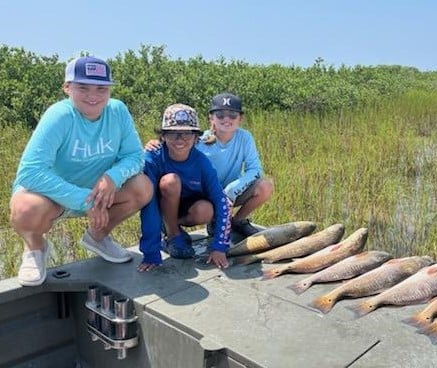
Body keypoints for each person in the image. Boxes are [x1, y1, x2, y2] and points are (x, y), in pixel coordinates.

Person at [10, 56, 153, 286]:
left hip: (98, 193)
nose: (93, 95)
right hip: (54, 198)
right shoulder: (59, 116)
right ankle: (35, 248)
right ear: (67, 88)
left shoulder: (118, 111)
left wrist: (112, 177)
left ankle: (98, 237)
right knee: (24, 208)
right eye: (83, 87)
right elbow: (30, 173)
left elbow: (135, 156)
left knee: (143, 187)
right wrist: (86, 202)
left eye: (101, 88)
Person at [145, 93, 274, 237]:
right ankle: (171, 224)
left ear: (240, 118)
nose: (226, 119)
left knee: (265, 186)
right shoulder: (198, 140)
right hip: (204, 194)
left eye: (232, 115)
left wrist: (231, 191)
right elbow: (176, 145)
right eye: (220, 115)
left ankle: (236, 221)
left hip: (231, 193)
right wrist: (156, 143)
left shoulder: (245, 137)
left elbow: (255, 169)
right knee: (204, 211)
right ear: (211, 118)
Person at [138, 103, 232, 272]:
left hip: (188, 207)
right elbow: (148, 204)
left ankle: (168, 225)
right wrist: (150, 253)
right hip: (163, 203)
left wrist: (219, 247)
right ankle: (172, 234)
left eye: (187, 133)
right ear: (163, 136)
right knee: (170, 181)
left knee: (206, 210)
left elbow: (222, 202)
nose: (180, 139)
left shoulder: (202, 162)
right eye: (173, 133)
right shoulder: (153, 158)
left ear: (196, 137)